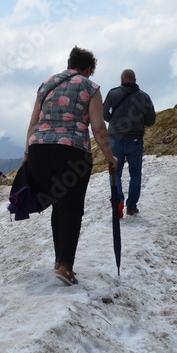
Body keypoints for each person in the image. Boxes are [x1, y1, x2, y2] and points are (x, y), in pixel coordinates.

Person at [23, 45, 117, 286]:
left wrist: (27, 152)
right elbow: (98, 127)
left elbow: (34, 121)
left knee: (58, 205)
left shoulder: (46, 84)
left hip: (39, 151)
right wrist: (109, 157)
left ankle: (59, 261)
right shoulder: (89, 86)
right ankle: (65, 266)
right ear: (88, 68)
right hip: (71, 151)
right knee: (72, 208)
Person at [102, 68, 156, 216]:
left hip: (116, 139)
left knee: (115, 172)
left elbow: (105, 114)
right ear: (135, 80)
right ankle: (131, 207)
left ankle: (118, 201)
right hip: (135, 140)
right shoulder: (144, 97)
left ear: (121, 80)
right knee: (135, 174)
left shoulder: (113, 93)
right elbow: (151, 120)